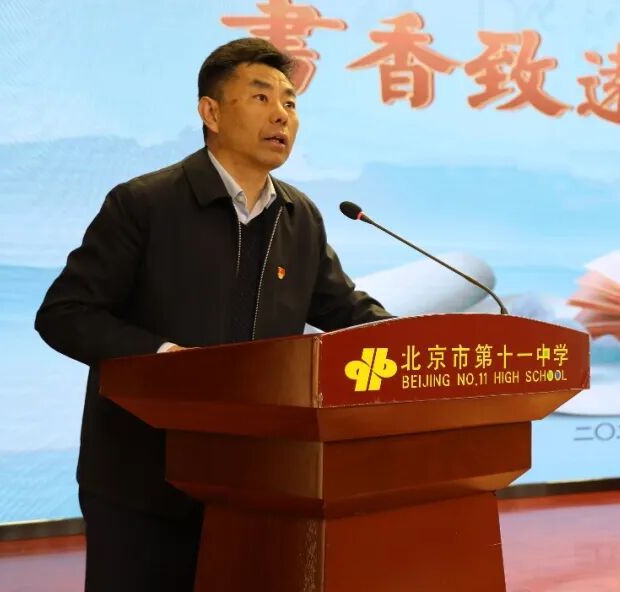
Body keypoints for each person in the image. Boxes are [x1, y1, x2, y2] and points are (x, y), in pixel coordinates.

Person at [34, 38, 392, 592]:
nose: (282, 115)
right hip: (142, 479)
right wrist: (164, 358)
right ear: (211, 112)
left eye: (291, 103)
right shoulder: (144, 203)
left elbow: (342, 306)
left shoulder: (299, 216)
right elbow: (65, 313)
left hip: (255, 479)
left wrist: (409, 343)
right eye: (261, 97)